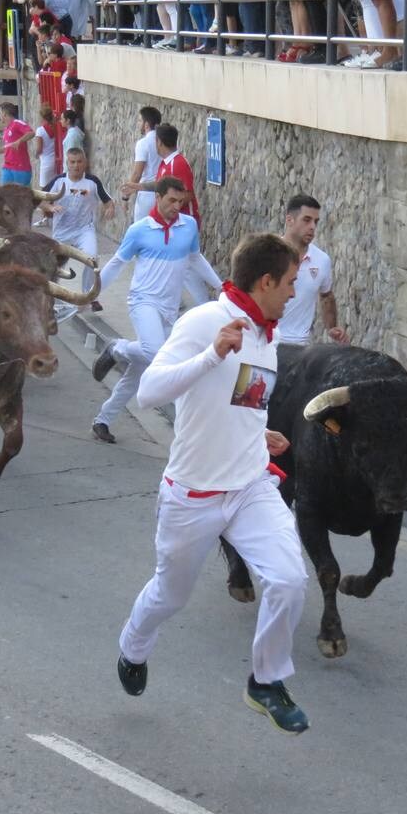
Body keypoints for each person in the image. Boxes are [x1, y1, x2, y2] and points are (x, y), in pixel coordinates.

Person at [116, 232, 311, 734]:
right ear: (266, 281)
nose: (294, 293)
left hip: (249, 486)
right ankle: (132, 648)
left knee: (289, 580)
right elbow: (149, 392)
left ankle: (266, 681)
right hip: (193, 493)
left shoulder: (266, 336)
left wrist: (257, 430)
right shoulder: (206, 321)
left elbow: (240, 399)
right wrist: (210, 356)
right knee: (169, 595)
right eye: (289, 283)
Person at [89, 177, 222, 444]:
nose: (176, 206)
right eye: (171, 200)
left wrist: (222, 286)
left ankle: (102, 419)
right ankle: (117, 348)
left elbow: (195, 258)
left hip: (169, 308)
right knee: (155, 351)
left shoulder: (189, 226)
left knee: (139, 370)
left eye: (180, 202)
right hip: (143, 301)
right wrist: (93, 290)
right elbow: (117, 263)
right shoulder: (139, 230)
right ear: (158, 198)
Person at [120, 123, 213, 304]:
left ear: (159, 142)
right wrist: (138, 187)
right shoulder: (166, 164)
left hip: (184, 223)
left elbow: (187, 194)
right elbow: (161, 186)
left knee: (187, 268)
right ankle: (176, 302)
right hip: (173, 224)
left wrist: (172, 207)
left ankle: (205, 305)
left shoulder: (178, 164)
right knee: (175, 265)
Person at [44, 146, 114, 318]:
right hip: (62, 232)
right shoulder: (59, 181)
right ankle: (49, 298)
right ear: (67, 163)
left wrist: (109, 209)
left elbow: (108, 201)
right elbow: (40, 200)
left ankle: (86, 296)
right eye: (72, 162)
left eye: (79, 162)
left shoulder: (92, 182)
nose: (75, 166)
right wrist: (50, 207)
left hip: (84, 230)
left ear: (85, 163)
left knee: (92, 259)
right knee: (54, 266)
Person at [274, 195, 347, 345]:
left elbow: (326, 295)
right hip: (264, 343)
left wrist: (332, 327)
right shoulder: (267, 254)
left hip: (299, 349)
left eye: (316, 222)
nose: (313, 227)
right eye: (307, 220)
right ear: (289, 220)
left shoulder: (322, 260)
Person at [0, 103, 36, 185]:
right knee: (4, 194)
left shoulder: (17, 123)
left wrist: (19, 141)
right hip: (7, 167)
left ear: (4, 114)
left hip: (20, 168)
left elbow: (31, 133)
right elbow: (7, 147)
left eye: (0, 113)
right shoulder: (6, 129)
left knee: (21, 195)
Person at [126, 105, 161, 222]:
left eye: (140, 120)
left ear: (146, 124)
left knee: (142, 231)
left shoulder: (143, 143)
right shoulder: (162, 141)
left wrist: (126, 195)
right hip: (162, 193)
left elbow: (137, 173)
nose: (138, 123)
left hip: (147, 194)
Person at [34, 106, 59, 188]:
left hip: (46, 162)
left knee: (44, 189)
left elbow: (39, 149)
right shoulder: (55, 127)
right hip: (55, 160)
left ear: (42, 117)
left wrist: (36, 155)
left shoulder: (40, 130)